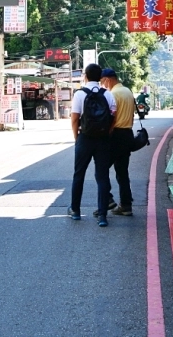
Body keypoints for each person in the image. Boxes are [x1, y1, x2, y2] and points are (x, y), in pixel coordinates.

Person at [69, 64, 117, 227]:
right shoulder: (108, 95)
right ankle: (102, 216)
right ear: (101, 78)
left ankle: (75, 210)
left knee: (79, 174)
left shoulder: (79, 94)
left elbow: (75, 118)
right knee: (102, 176)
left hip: (85, 138)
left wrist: (77, 137)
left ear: (85, 76)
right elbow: (113, 118)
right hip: (103, 139)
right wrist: (107, 133)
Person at [101, 68, 135, 217]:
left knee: (101, 169)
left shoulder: (113, 94)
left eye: (103, 82)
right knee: (122, 173)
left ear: (108, 79)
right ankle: (126, 205)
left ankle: (107, 200)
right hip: (128, 134)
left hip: (116, 135)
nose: (103, 85)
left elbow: (111, 118)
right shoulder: (128, 91)